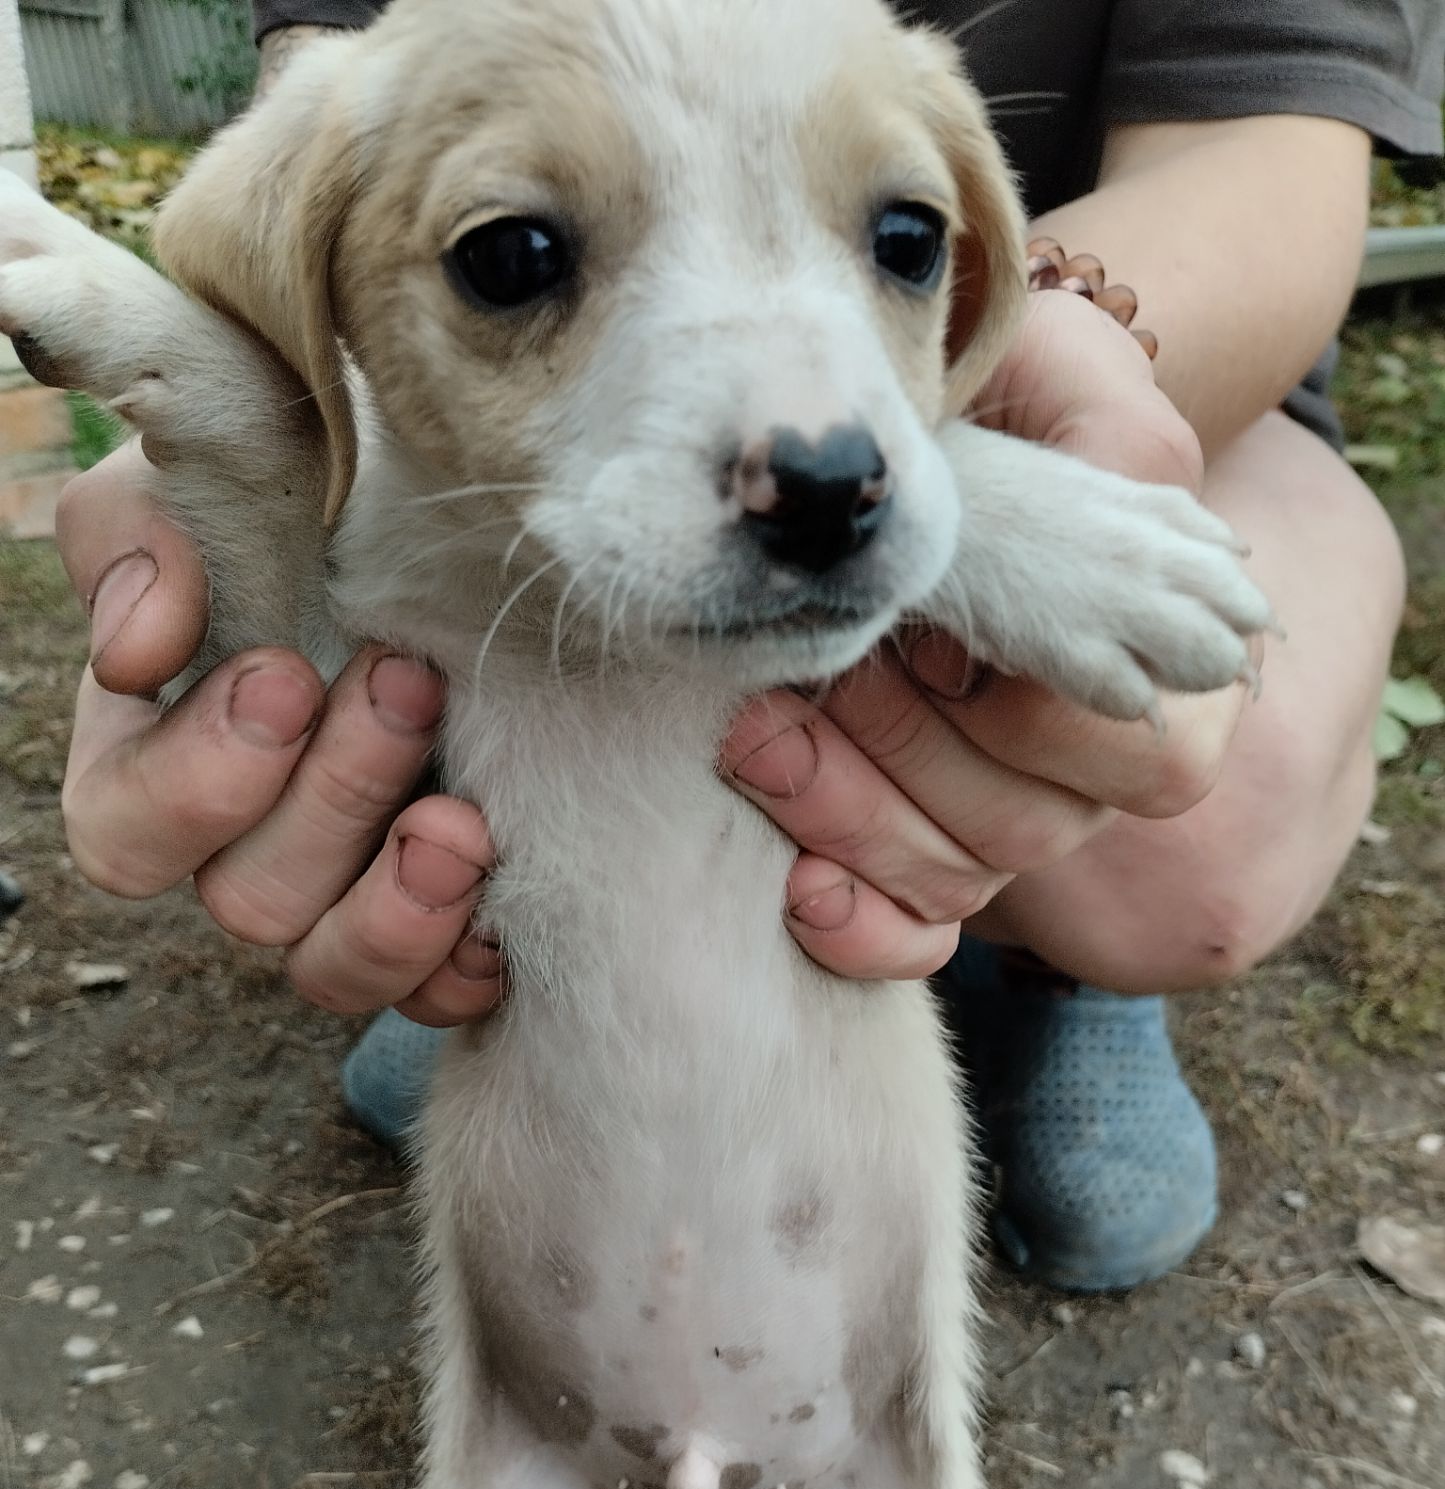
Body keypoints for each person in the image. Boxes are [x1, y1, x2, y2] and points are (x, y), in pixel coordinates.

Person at [51, 0, 1442, 1291]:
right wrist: (256, 432)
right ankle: (538, 924)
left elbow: (1270, 156)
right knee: (471, 619)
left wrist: (1029, 387)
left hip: (1151, 355)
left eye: (902, 236)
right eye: (519, 260)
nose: (801, 460)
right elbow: (350, 135)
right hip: (516, 509)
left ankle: (1047, 968)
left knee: (1186, 787)